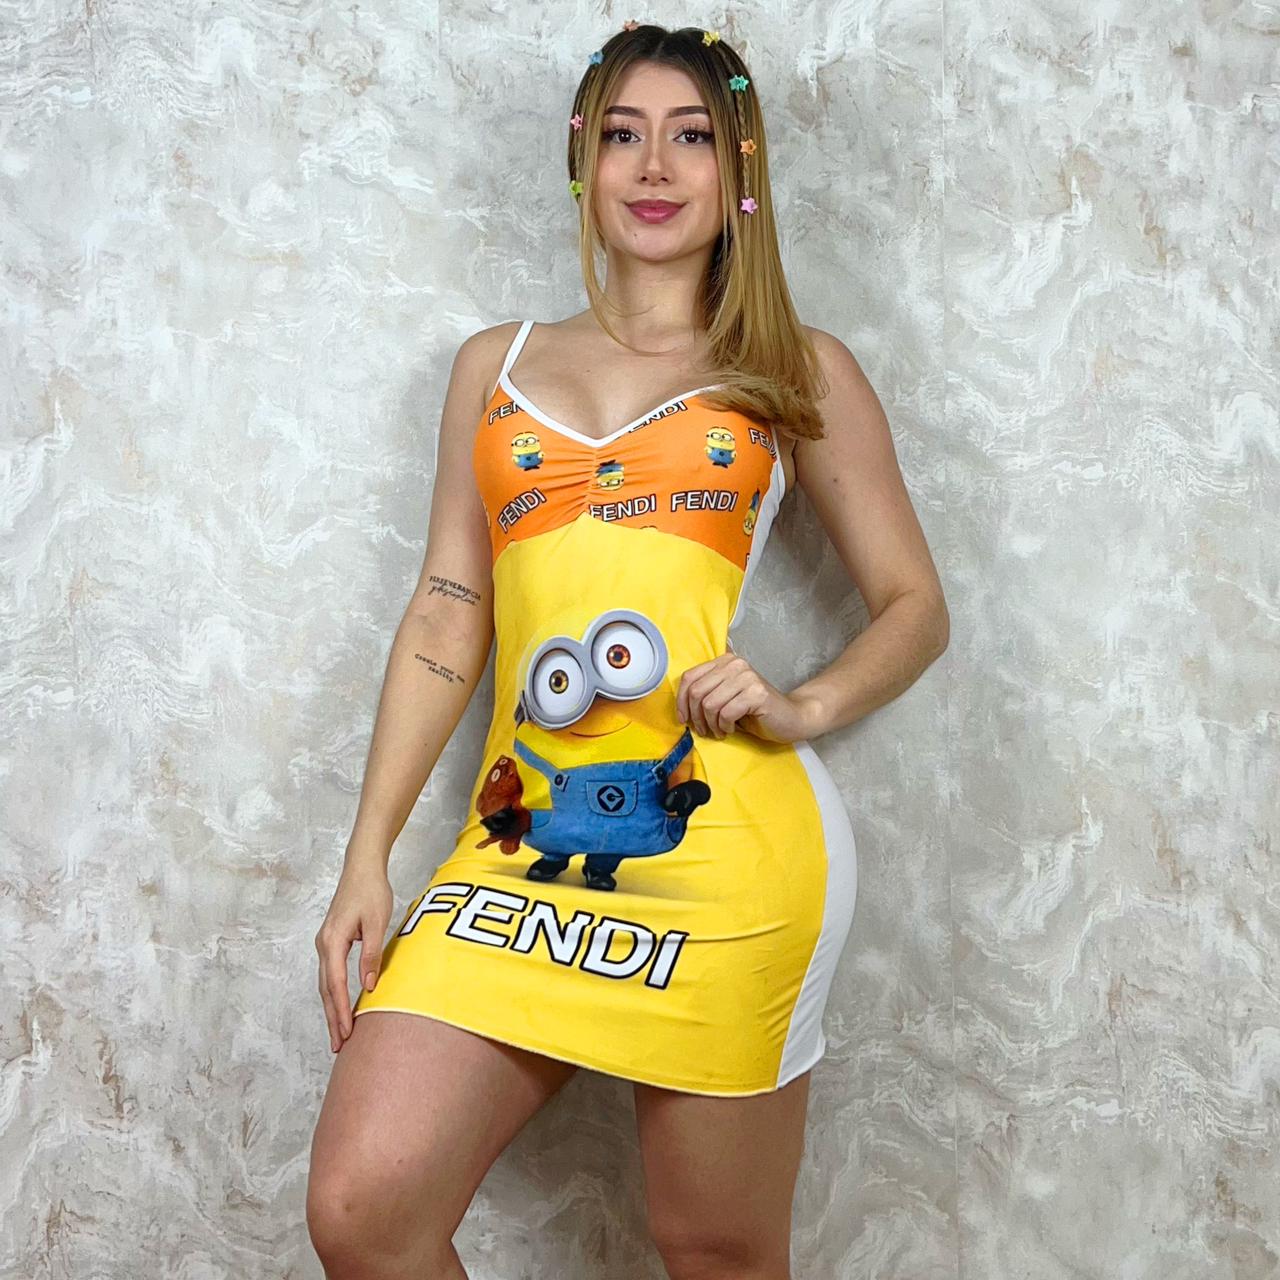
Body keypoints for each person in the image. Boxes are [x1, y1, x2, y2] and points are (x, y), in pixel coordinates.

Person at [306, 22, 948, 1280]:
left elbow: (913, 603)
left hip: (724, 851)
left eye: (690, 136)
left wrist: (804, 702)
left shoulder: (792, 368)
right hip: (521, 851)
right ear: (581, 163)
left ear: (737, 169)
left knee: (713, 1248)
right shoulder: (491, 368)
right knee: (363, 1206)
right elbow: (447, 607)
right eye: (621, 134)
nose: (653, 166)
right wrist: (365, 854)